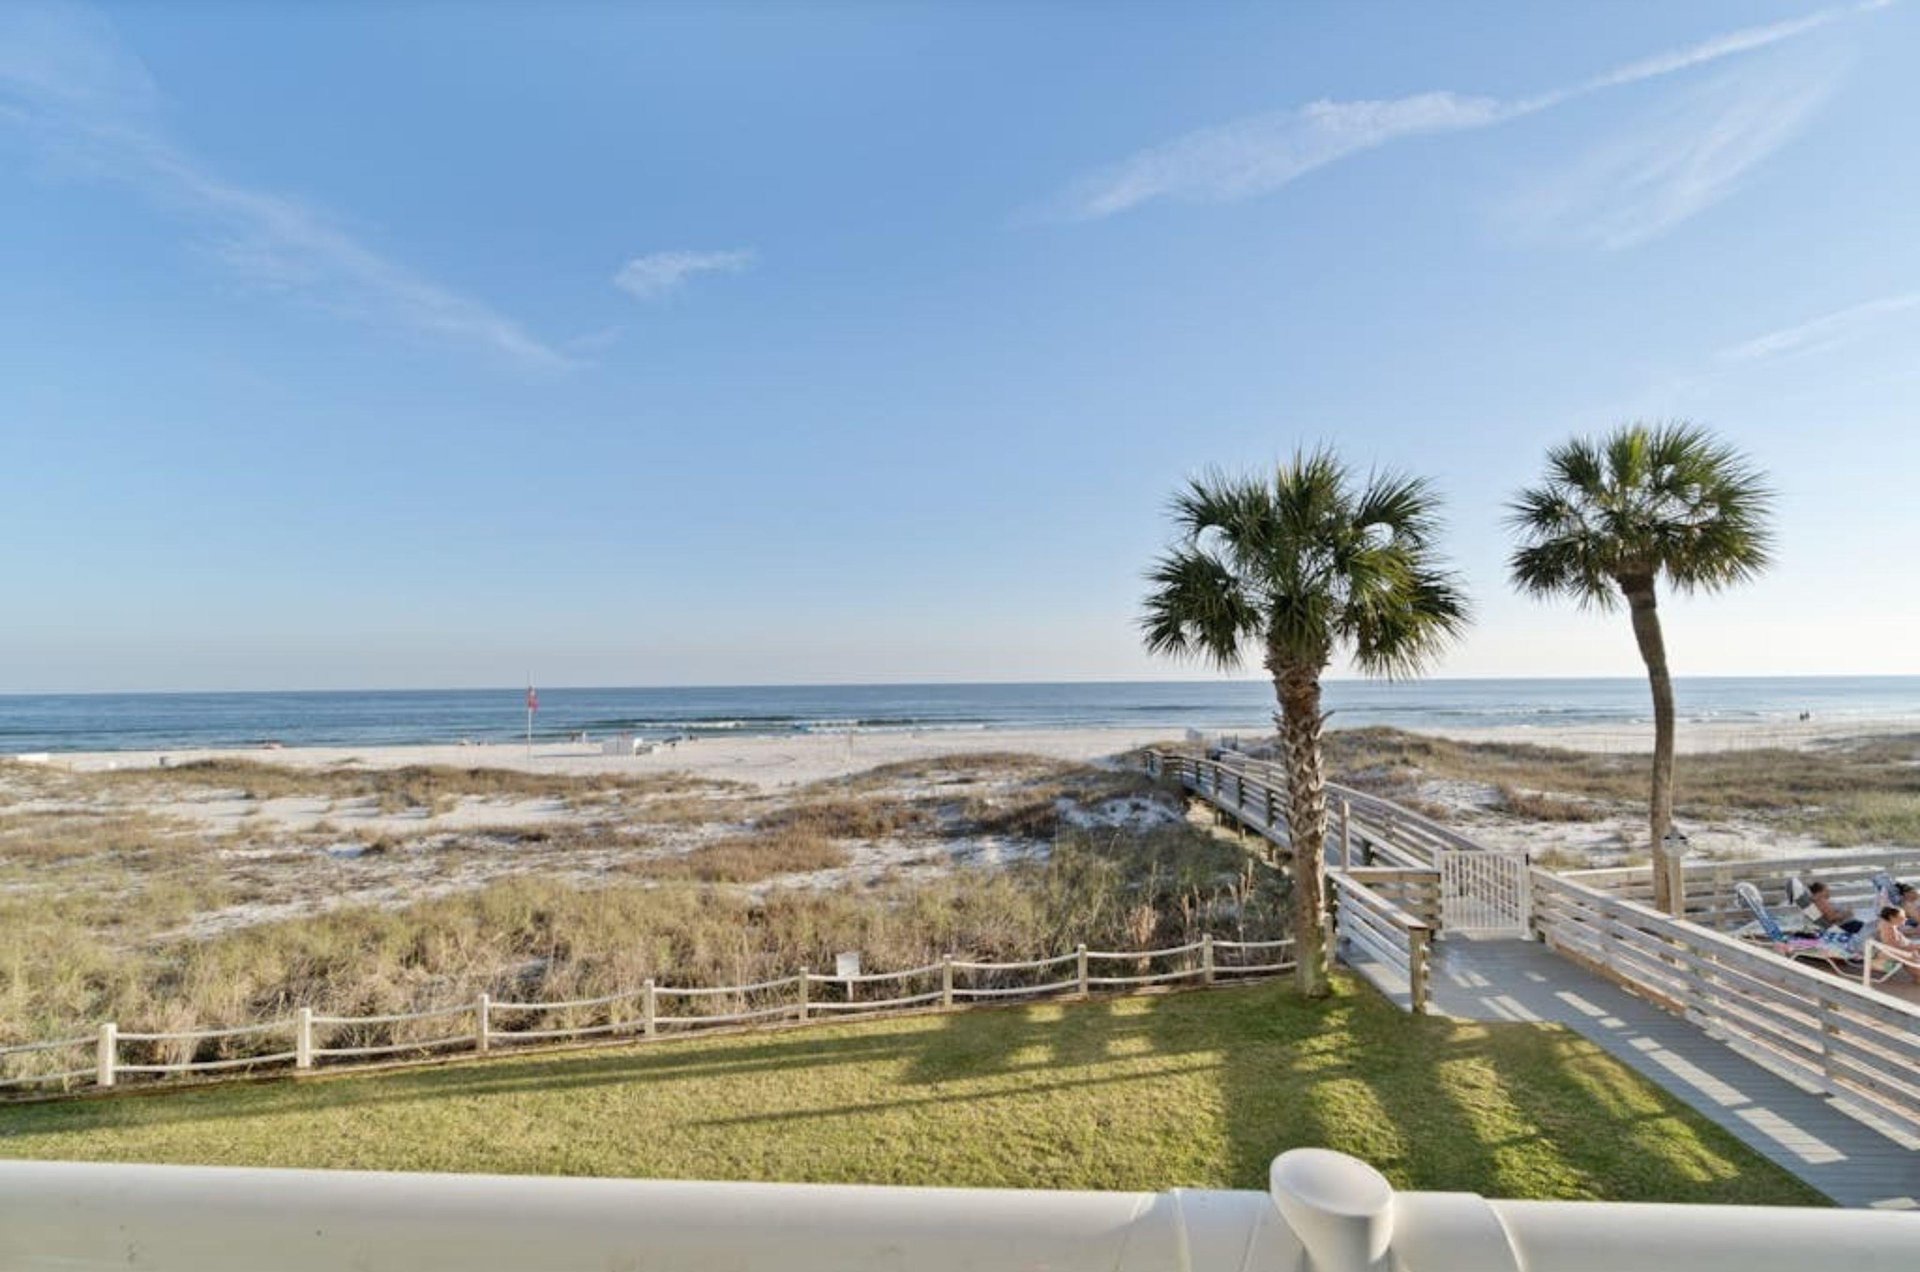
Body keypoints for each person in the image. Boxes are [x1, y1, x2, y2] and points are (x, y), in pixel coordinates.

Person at [1869, 906, 1920, 984]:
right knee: (1911, 956)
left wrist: (1912, 946)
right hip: (1886, 953)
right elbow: (1892, 947)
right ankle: (1918, 976)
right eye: (1902, 917)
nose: (1906, 919)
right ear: (1892, 917)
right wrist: (1911, 947)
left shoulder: (1889, 925)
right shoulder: (1888, 927)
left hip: (1890, 949)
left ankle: (1917, 976)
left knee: (1913, 952)